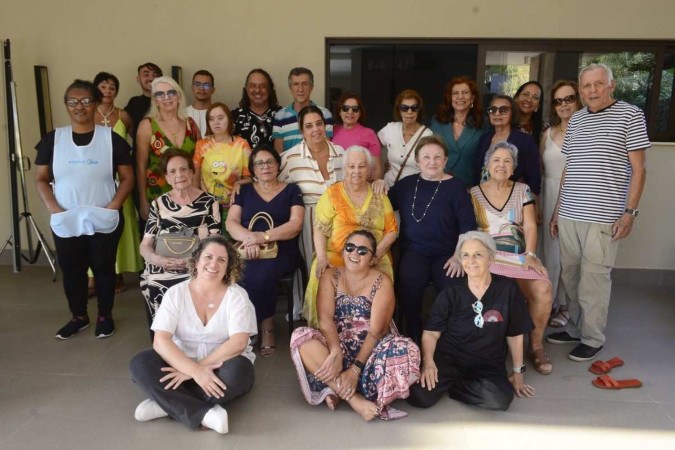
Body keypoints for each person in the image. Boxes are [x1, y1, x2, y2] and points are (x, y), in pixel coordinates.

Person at [547, 63, 649, 362]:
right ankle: (576, 328)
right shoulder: (576, 120)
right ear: (581, 90)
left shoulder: (630, 116)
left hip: (603, 216)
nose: (592, 90)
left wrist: (630, 212)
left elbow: (639, 169)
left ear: (611, 85)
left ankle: (593, 337)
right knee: (571, 276)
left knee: (594, 278)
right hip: (569, 214)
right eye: (586, 86)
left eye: (598, 84)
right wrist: (556, 211)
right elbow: (570, 168)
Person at [34, 79, 134, 339]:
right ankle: (78, 316)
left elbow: (127, 177)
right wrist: (54, 209)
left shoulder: (111, 139)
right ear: (66, 105)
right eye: (73, 102)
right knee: (72, 270)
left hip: (104, 215)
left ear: (96, 104)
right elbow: (41, 178)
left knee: (103, 268)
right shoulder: (52, 140)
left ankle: (104, 315)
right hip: (66, 217)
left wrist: (114, 205)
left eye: (86, 101)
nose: (79, 106)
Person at [130, 235, 257, 434]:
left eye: (221, 260)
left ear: (228, 267)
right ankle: (203, 412)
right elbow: (161, 341)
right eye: (208, 257)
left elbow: (239, 343)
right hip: (180, 362)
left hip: (220, 365)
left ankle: (166, 404)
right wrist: (194, 371)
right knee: (141, 362)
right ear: (196, 261)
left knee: (241, 371)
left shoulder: (237, 295)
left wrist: (196, 369)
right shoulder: (176, 293)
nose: (213, 263)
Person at [290, 230, 420, 421]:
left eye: (362, 251)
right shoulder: (330, 275)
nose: (354, 254)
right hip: (338, 346)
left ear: (372, 258)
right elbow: (325, 318)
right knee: (300, 337)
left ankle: (336, 386)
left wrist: (355, 369)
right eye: (349, 248)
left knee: (408, 350)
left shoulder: (382, 281)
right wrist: (335, 351)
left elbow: (377, 332)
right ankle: (354, 399)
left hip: (371, 352)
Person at [407, 231, 535, 411]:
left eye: (478, 255)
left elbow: (515, 335)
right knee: (419, 396)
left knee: (499, 399)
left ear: (490, 258)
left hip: (488, 362)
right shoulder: (451, 292)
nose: (471, 261)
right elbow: (431, 333)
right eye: (465, 255)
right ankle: (461, 384)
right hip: (450, 358)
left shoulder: (507, 289)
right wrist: (428, 363)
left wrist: (518, 373)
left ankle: (455, 386)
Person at [470, 141, 553, 375]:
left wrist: (532, 254)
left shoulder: (522, 190)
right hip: (488, 257)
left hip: (518, 256)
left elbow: (529, 224)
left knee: (543, 289)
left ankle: (535, 345)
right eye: (496, 160)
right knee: (494, 290)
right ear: (487, 164)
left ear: (514, 168)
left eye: (507, 161)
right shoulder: (473, 193)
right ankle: (491, 346)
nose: (501, 165)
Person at [388, 136, 477, 343]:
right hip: (414, 250)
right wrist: (377, 184)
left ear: (445, 161)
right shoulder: (406, 185)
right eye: (426, 157)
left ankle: (447, 339)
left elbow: (468, 227)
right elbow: (383, 205)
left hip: (447, 253)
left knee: (452, 288)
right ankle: (414, 338)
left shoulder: (456, 187)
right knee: (409, 284)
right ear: (418, 161)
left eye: (437, 157)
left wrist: (459, 256)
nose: (432, 162)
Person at [304, 146, 398, 328]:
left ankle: (374, 329)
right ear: (344, 168)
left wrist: (376, 254)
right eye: (351, 166)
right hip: (337, 255)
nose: (356, 171)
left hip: (373, 255)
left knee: (383, 276)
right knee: (321, 272)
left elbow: (392, 231)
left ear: (369, 170)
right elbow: (320, 229)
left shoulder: (379, 195)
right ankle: (324, 329)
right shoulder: (332, 194)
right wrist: (322, 257)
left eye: (362, 166)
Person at [226, 146, 304, 357]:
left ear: (278, 165)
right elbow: (231, 222)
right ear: (252, 169)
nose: (265, 166)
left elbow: (295, 224)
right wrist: (249, 239)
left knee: (261, 272)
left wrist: (263, 237)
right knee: (243, 270)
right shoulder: (244, 191)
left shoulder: (292, 190)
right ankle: (248, 325)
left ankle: (265, 326)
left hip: (281, 248)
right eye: (259, 163)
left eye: (270, 161)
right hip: (248, 247)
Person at [139, 149, 221, 331]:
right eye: (173, 172)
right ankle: (165, 342)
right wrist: (159, 260)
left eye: (184, 169)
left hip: (199, 263)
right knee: (154, 282)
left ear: (192, 172)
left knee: (200, 283)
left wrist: (195, 261)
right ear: (167, 178)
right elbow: (145, 245)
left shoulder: (209, 202)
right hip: (164, 263)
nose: (179, 175)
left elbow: (215, 241)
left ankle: (197, 339)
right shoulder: (158, 204)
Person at [279, 105, 345, 317]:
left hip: (341, 219)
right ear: (301, 131)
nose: (315, 129)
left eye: (319, 124)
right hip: (309, 218)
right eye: (309, 126)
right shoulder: (290, 157)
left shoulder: (342, 153)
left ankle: (339, 310)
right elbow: (274, 185)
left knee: (341, 264)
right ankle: (310, 312)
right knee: (312, 266)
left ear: (325, 126)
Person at [91, 71, 142, 294]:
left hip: (121, 177)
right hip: (94, 178)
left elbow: (137, 144)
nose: (108, 91)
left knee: (121, 223)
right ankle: (93, 276)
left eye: (112, 87)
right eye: (104, 87)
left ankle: (118, 272)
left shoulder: (124, 116)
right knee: (94, 225)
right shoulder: (87, 114)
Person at [540, 80, 583, 328]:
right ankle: (547, 301)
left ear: (578, 100)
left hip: (571, 195)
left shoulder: (586, 132)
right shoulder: (548, 133)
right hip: (547, 191)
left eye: (569, 99)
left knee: (565, 253)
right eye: (558, 100)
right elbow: (538, 168)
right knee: (547, 251)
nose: (564, 105)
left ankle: (565, 304)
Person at [136, 76, 202, 222]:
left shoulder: (191, 124)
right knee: (161, 242)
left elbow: (200, 161)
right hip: (158, 195)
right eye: (160, 94)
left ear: (179, 96)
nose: (166, 98)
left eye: (171, 92)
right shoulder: (147, 126)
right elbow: (141, 166)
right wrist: (143, 201)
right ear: (154, 100)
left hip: (189, 195)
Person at [193, 102, 251, 227]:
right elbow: (195, 176)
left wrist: (239, 183)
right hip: (207, 206)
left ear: (229, 120)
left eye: (220, 118)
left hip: (235, 206)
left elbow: (251, 178)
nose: (216, 122)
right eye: (211, 119)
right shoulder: (201, 145)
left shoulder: (242, 144)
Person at [476, 95, 542, 197]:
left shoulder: (525, 141)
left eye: (503, 110)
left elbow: (534, 181)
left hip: (514, 201)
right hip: (484, 199)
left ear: (512, 114)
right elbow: (478, 173)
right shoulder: (484, 139)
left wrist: (530, 206)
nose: (497, 113)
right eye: (492, 110)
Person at [430, 76, 485, 187]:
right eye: (455, 93)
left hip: (469, 186)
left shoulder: (483, 124)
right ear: (450, 98)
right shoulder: (437, 121)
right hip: (438, 183)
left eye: (465, 92)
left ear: (472, 98)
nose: (460, 97)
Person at [378, 89, 433, 188]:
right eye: (404, 108)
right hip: (388, 189)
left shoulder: (427, 135)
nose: (409, 112)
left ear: (418, 110)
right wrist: (381, 165)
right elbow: (372, 147)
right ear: (399, 110)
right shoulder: (390, 128)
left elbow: (431, 166)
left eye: (414, 108)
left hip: (413, 192)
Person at [273, 67, 333, 153]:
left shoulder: (325, 114)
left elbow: (326, 149)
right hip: (290, 165)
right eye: (296, 84)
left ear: (311, 87)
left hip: (316, 166)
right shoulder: (280, 116)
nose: (300, 89)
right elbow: (279, 153)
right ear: (290, 88)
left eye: (305, 84)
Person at [332, 92, 383, 180]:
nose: (350, 112)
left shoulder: (369, 133)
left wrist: (374, 187)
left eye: (355, 109)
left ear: (360, 113)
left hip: (359, 184)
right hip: (335, 184)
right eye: (345, 108)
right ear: (339, 111)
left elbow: (376, 168)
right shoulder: (331, 131)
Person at [232, 68, 281, 150]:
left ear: (269, 90)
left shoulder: (283, 115)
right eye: (252, 86)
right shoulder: (234, 117)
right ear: (246, 89)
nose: (257, 90)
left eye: (262, 86)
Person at [124, 62, 162, 139]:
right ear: (138, 79)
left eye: (155, 75)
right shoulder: (134, 102)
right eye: (146, 75)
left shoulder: (169, 102)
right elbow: (127, 126)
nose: (151, 78)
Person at [185, 70, 215, 136]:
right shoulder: (183, 114)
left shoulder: (220, 114)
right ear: (192, 88)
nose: (202, 88)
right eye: (197, 84)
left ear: (213, 90)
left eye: (206, 85)